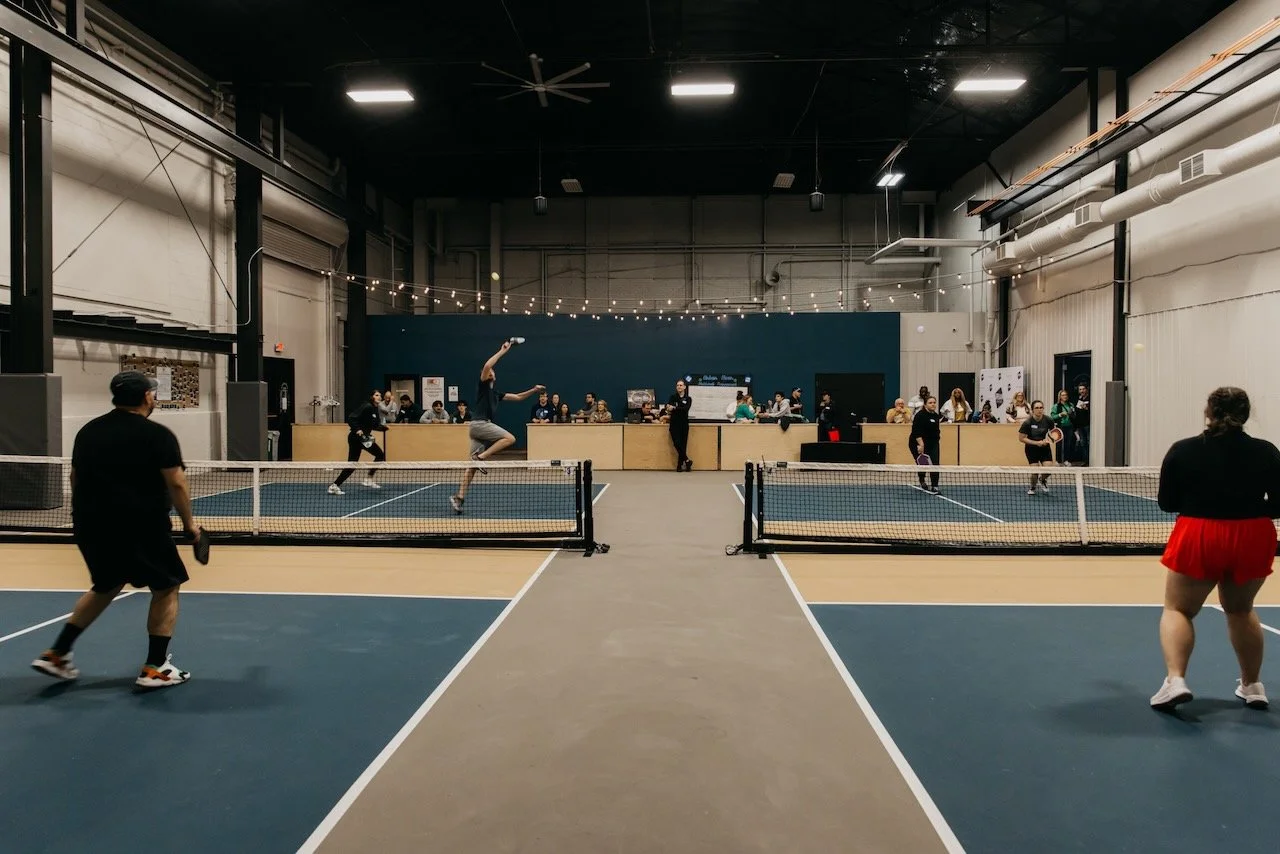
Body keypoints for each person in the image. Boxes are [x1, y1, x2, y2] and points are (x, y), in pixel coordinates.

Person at [31, 371, 199, 688]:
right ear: (147, 397)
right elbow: (176, 483)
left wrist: (87, 515)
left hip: (90, 526)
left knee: (106, 584)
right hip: (142, 526)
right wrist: (190, 525)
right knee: (166, 586)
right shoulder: (157, 435)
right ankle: (155, 667)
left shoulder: (88, 432)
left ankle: (58, 653)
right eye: (152, 393)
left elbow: (75, 478)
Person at [1150, 387, 1280, 712]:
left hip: (1199, 532)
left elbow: (1167, 502)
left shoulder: (1183, 450)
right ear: (1246, 415)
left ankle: (1176, 681)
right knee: (1241, 610)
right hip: (1253, 535)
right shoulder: (1267, 452)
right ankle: (1252, 685)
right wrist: (1247, 509)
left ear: (1208, 412)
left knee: (1179, 609)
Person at [450, 340, 544, 514]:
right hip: (480, 424)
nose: (491, 371)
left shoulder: (495, 394)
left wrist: (533, 390)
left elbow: (518, 397)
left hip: (478, 431)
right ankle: (481, 457)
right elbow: (487, 365)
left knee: (471, 467)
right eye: (489, 371)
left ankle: (459, 497)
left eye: (493, 371)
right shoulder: (484, 386)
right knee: (510, 438)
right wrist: (503, 351)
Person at [329, 390, 387, 495]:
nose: (379, 397)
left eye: (380, 395)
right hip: (356, 438)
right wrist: (357, 429)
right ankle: (335, 485)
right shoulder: (366, 406)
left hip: (364, 439)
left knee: (378, 455)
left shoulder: (375, 409)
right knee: (353, 463)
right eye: (376, 395)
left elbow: (373, 425)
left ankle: (367, 479)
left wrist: (383, 428)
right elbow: (351, 418)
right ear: (372, 397)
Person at [1018, 400, 1056, 496]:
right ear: (1032, 410)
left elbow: (1053, 433)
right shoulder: (1027, 422)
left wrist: (1048, 440)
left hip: (1045, 448)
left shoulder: (1048, 420)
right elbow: (1021, 438)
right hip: (1031, 449)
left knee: (1048, 470)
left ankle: (1042, 480)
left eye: (1041, 408)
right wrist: (1036, 443)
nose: (1039, 410)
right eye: (1037, 408)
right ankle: (1033, 487)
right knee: (1034, 472)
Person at [909, 395, 943, 493]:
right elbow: (916, 431)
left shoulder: (936, 416)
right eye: (930, 403)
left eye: (934, 402)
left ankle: (935, 486)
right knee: (922, 463)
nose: (933, 404)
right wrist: (921, 445)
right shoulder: (920, 416)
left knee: (935, 464)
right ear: (925, 405)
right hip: (917, 442)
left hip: (933, 443)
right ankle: (922, 480)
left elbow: (936, 431)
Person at [665, 379, 693, 472]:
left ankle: (679, 465)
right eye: (677, 385)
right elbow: (668, 407)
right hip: (674, 424)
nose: (679, 387)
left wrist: (675, 408)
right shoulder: (673, 397)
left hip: (684, 424)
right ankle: (687, 460)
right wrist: (670, 407)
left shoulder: (688, 399)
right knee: (676, 443)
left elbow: (685, 409)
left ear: (684, 387)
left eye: (681, 385)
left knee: (683, 445)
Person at [1048, 389, 1075, 464]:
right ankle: (1058, 460)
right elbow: (1052, 416)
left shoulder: (1071, 405)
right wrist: (1060, 414)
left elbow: (1074, 416)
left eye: (1066, 395)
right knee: (1059, 444)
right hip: (1060, 426)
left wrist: (1072, 413)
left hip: (1069, 426)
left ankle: (1066, 460)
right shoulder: (1056, 406)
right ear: (1060, 397)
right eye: (1063, 395)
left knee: (1068, 444)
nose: (1065, 396)